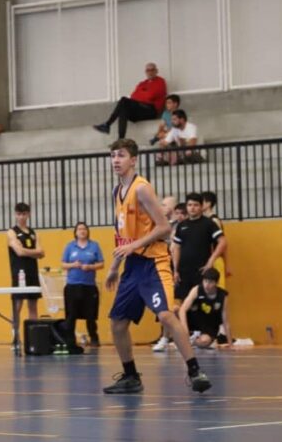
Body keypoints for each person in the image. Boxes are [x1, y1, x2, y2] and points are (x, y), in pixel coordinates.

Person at [102, 138, 211, 394]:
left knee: (165, 315)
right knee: (117, 322)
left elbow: (164, 228)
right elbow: (123, 236)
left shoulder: (141, 189)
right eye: (113, 155)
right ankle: (131, 376)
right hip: (133, 265)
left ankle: (195, 371)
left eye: (121, 155)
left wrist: (134, 246)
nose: (116, 160)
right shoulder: (117, 192)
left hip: (154, 261)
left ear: (134, 160)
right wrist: (115, 266)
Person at [172, 193, 226, 303]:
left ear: (201, 206)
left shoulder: (209, 223)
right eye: (189, 205)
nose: (192, 208)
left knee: (202, 302)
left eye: (195, 205)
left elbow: (223, 242)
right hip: (184, 272)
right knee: (183, 303)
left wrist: (211, 261)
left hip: (202, 270)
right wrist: (175, 270)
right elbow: (176, 247)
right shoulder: (181, 225)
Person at [93, 62, 167, 139]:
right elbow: (133, 96)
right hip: (140, 109)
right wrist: (145, 94)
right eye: (148, 70)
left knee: (124, 100)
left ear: (156, 71)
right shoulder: (142, 83)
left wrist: (142, 93)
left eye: (152, 70)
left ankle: (107, 124)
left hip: (151, 110)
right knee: (123, 109)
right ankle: (121, 138)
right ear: (145, 72)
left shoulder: (160, 81)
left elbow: (150, 95)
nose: (150, 72)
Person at [61, 222, 104, 347]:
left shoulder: (94, 246)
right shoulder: (70, 246)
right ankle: (70, 340)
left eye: (84, 229)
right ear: (75, 232)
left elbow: (101, 264)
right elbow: (63, 264)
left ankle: (94, 338)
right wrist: (73, 265)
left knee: (91, 315)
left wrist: (90, 267)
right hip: (72, 285)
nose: (82, 231)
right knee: (71, 314)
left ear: (87, 231)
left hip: (89, 286)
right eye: (79, 229)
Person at [7, 202, 44, 346]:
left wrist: (27, 251)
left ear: (28, 214)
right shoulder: (12, 232)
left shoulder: (34, 233)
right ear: (15, 215)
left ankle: (33, 338)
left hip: (32, 272)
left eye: (24, 214)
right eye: (19, 214)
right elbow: (19, 252)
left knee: (33, 306)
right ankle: (15, 337)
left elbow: (42, 253)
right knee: (17, 306)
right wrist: (34, 252)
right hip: (19, 273)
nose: (21, 217)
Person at [178, 268, 231, 349]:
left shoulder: (223, 296)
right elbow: (182, 310)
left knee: (204, 341)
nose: (206, 285)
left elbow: (225, 321)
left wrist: (230, 344)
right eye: (205, 281)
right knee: (174, 310)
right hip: (194, 321)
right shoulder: (196, 290)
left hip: (210, 326)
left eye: (210, 282)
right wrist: (185, 330)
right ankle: (166, 339)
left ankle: (190, 341)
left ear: (216, 283)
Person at [201, 191, 230, 285]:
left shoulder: (214, 220)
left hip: (215, 260)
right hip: (209, 259)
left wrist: (227, 264)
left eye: (201, 202)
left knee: (218, 288)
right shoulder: (205, 221)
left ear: (208, 203)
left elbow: (223, 243)